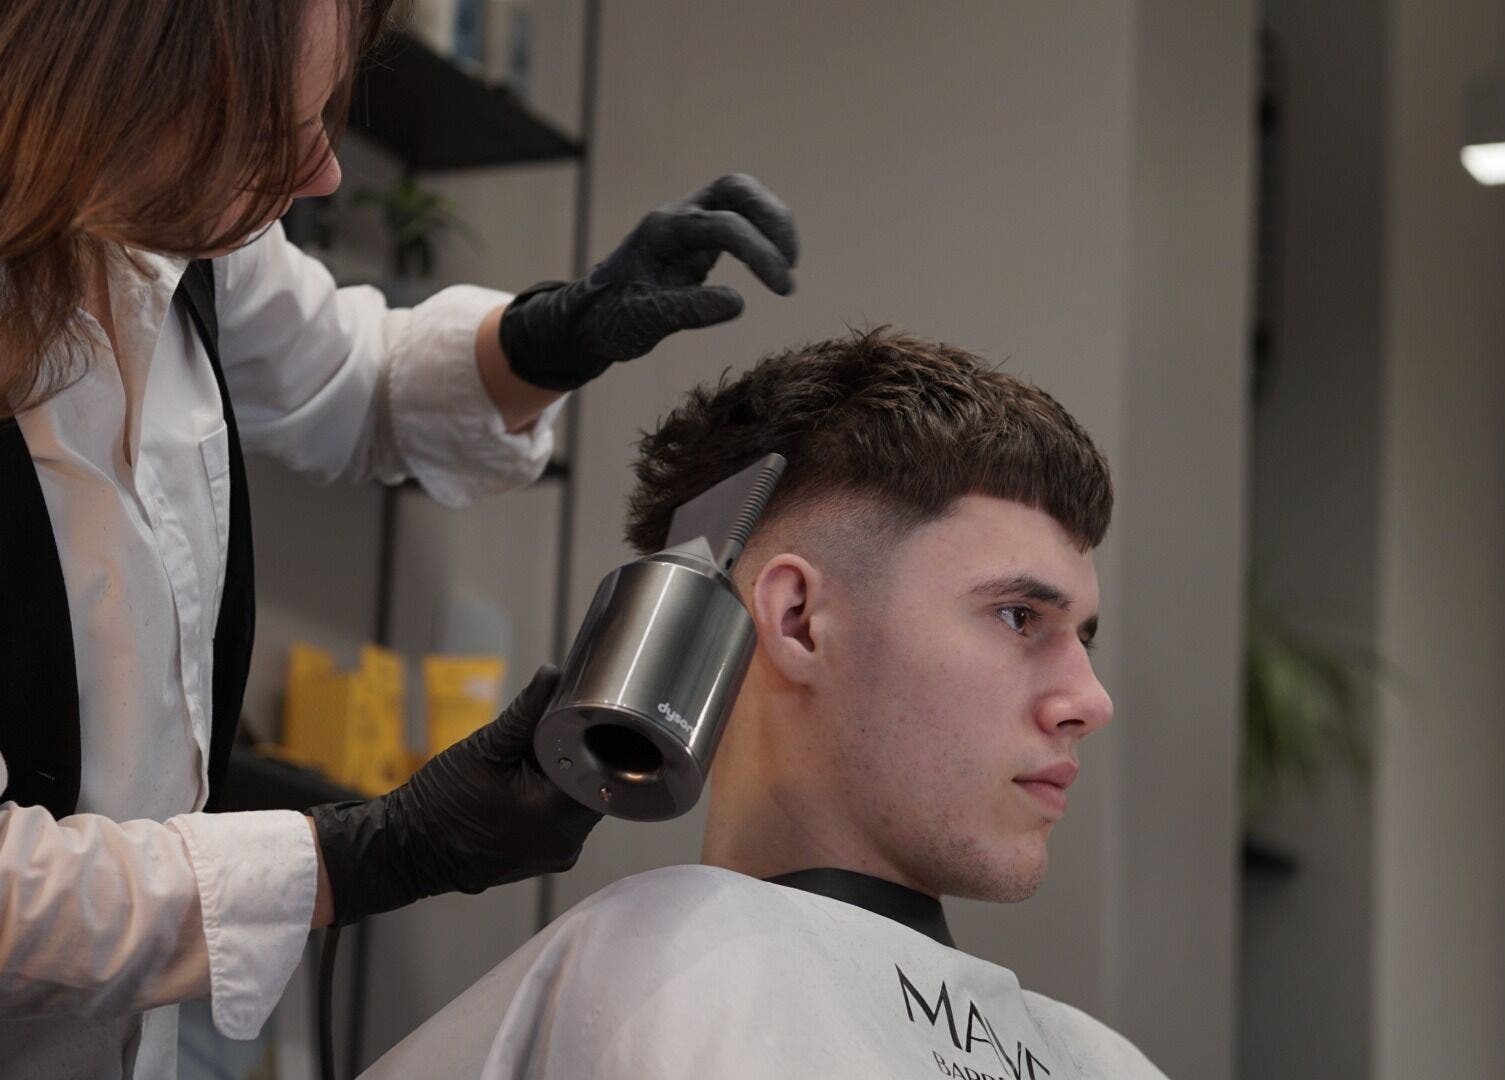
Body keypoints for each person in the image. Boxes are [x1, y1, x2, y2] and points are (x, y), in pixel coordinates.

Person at [0, 0, 798, 1076]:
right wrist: (368, 856)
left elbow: (350, 375)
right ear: (115, 101)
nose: (322, 173)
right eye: (275, 136)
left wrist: (550, 335)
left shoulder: (159, 231)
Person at [361, 330, 1169, 1079]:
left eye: (1082, 639)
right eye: (1018, 617)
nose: (1089, 701)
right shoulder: (642, 969)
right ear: (797, 620)